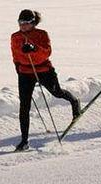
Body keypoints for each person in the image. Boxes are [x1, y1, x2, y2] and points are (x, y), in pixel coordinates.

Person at [10, 8, 81, 152]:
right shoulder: (15, 37)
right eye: (20, 23)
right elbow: (15, 54)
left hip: (44, 70)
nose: (22, 26)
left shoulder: (42, 34)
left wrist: (34, 48)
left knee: (57, 92)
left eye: (25, 23)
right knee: (24, 106)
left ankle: (74, 101)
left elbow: (47, 52)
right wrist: (17, 66)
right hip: (25, 72)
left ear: (33, 23)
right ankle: (24, 141)